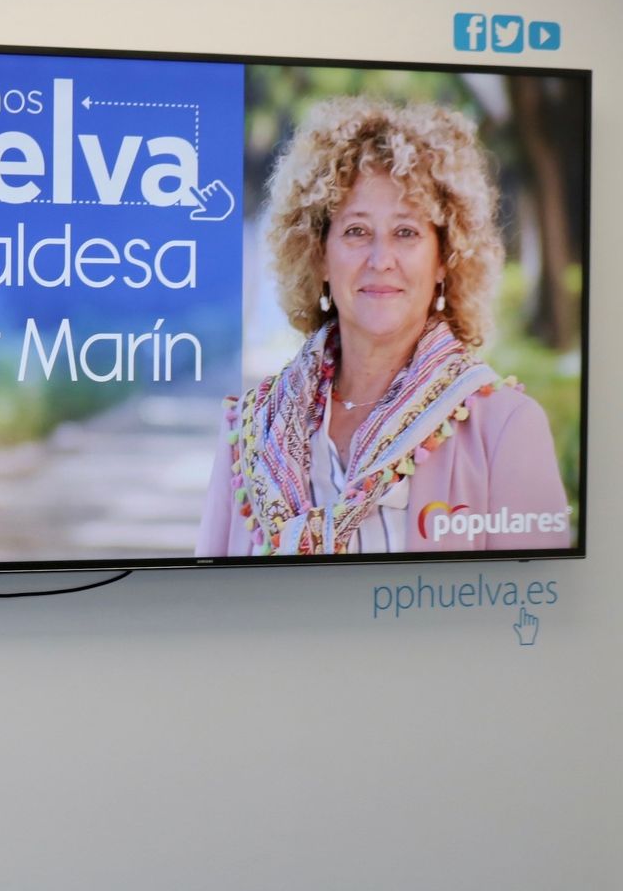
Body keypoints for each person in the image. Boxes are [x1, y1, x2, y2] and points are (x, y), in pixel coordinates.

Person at [197, 97, 569, 557]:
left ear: (443, 258)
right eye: (356, 231)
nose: (380, 260)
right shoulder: (249, 431)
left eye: (406, 232)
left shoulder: (507, 427)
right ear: (320, 254)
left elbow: (530, 611)